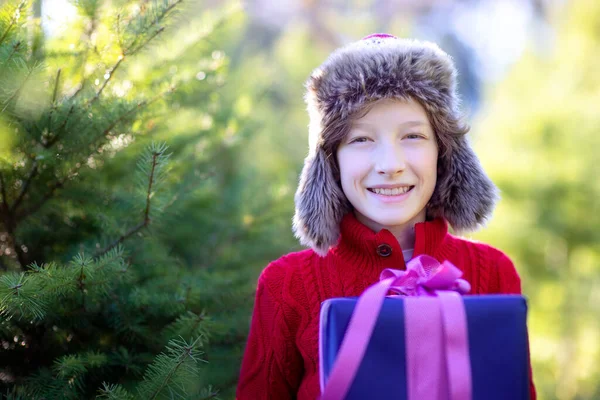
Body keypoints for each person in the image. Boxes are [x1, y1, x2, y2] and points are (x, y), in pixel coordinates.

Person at [236, 33, 536, 400]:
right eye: (361, 140)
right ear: (331, 161)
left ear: (443, 152)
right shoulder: (286, 285)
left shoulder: (493, 272)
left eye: (412, 136)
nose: (391, 165)